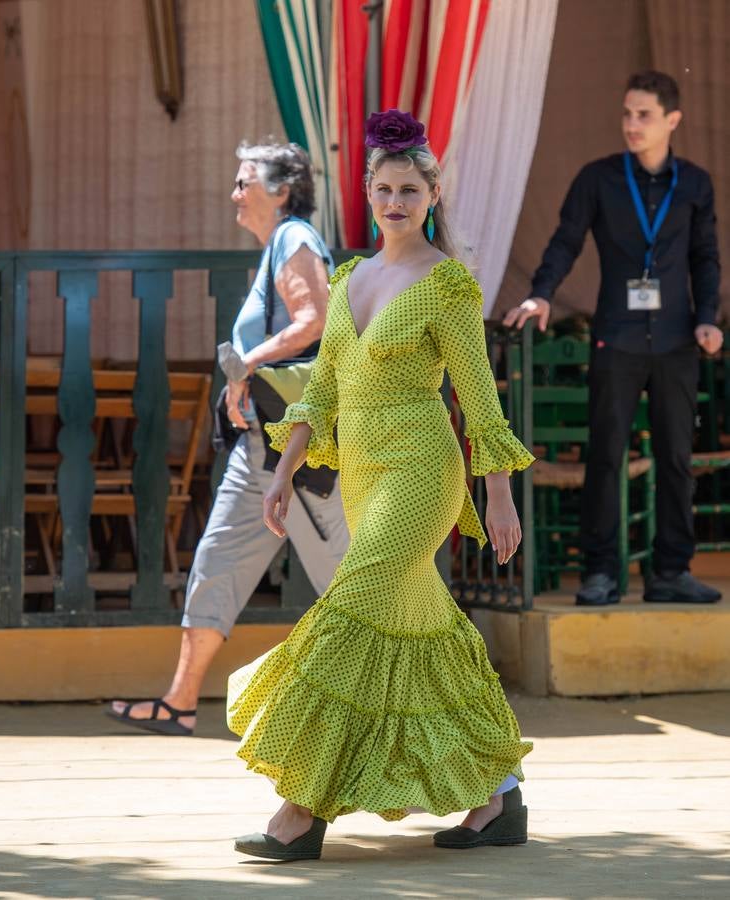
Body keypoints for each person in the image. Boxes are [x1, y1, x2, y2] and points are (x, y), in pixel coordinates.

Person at [227, 109, 534, 862]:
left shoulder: (447, 285)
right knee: (417, 630)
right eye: (384, 188)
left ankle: (301, 807)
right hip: (363, 473)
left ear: (431, 196)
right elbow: (323, 388)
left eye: (409, 189)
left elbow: (478, 398)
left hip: (421, 471)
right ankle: (497, 795)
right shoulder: (349, 276)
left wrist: (496, 494)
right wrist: (287, 468)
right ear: (369, 194)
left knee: (350, 613)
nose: (395, 201)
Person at [107, 142, 349, 735]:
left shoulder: (294, 238)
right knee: (217, 561)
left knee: (354, 585)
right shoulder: (277, 249)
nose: (235, 194)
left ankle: (417, 711)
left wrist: (245, 368)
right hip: (261, 447)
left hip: (301, 451)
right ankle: (180, 702)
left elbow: (314, 319)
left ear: (282, 189)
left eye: (246, 182)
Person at [504, 70, 723, 607]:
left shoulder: (694, 184)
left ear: (672, 120)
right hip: (617, 338)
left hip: (675, 340)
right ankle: (601, 573)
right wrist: (542, 293)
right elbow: (565, 241)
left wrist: (709, 318)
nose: (631, 124)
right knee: (606, 455)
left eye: (643, 115)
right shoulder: (598, 179)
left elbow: (706, 257)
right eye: (626, 113)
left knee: (675, 456)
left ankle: (672, 571)